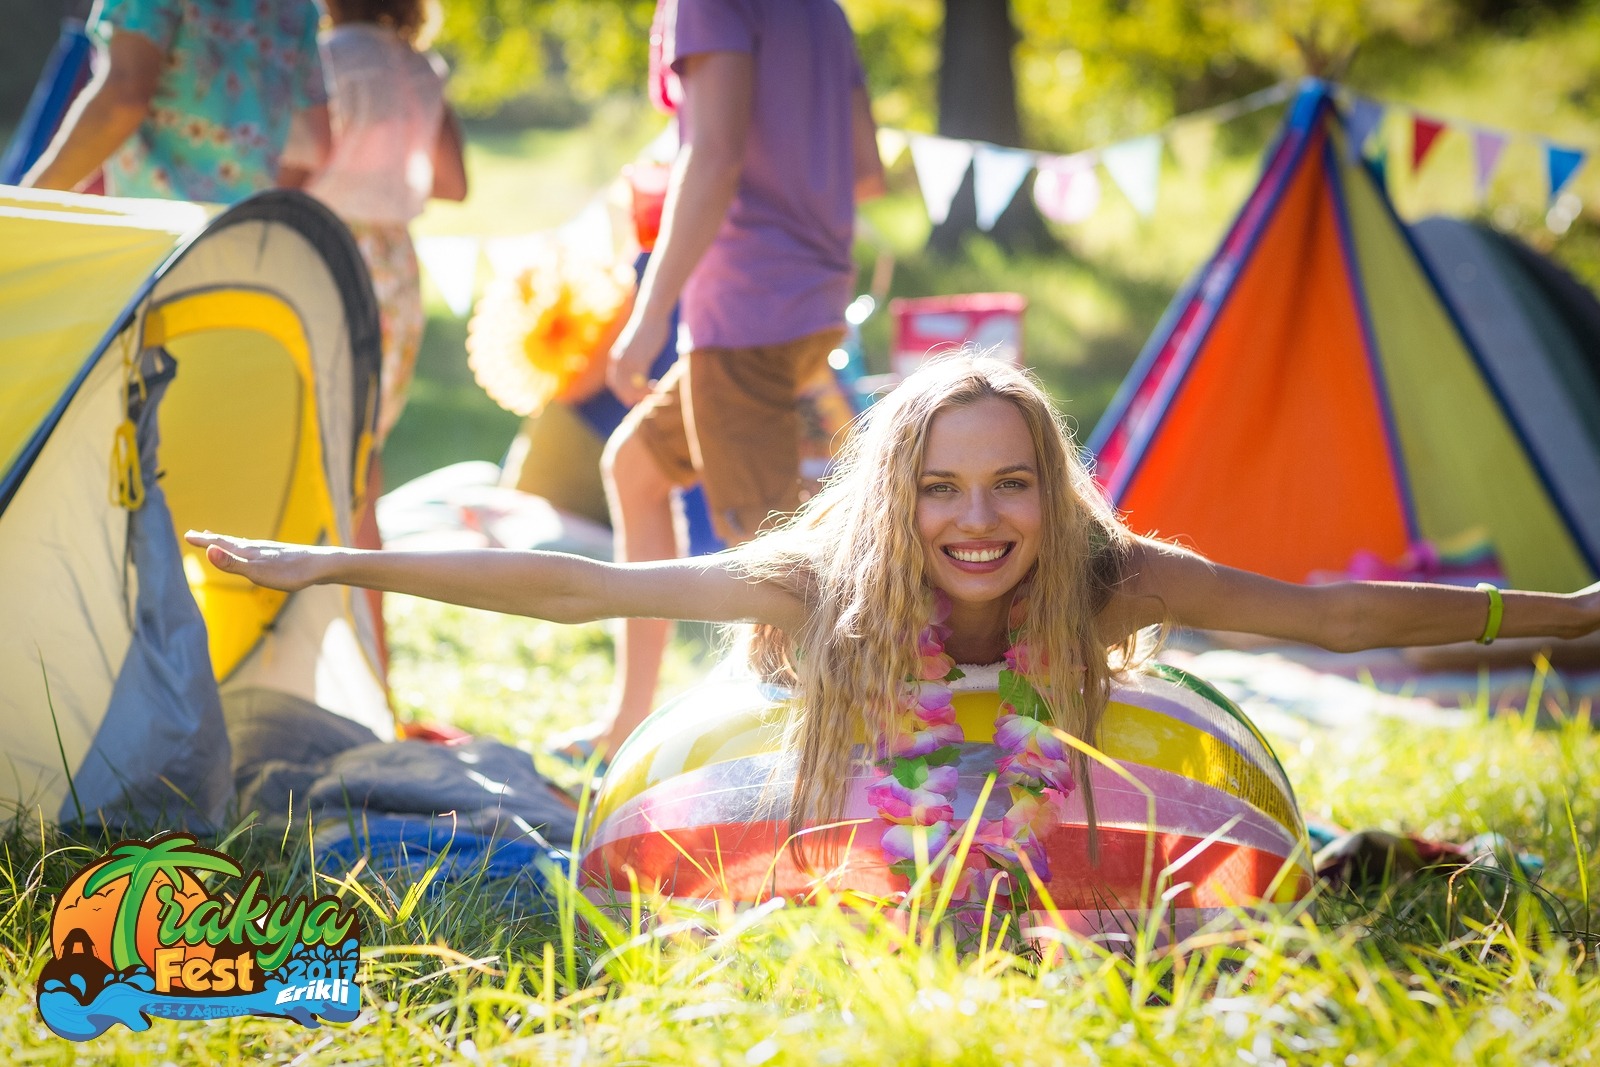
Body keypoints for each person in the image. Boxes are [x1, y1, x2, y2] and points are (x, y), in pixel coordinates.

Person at [186, 355, 1600, 880]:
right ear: (892, 501)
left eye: (1006, 487)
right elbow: (584, 585)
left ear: (1051, 495)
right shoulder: (828, 584)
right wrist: (325, 565)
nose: (973, 521)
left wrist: (1574, 611)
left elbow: (1333, 613)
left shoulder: (1111, 577)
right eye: (937, 489)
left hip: (1049, 839)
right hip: (831, 839)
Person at [592, 0, 887, 763]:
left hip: (746, 311)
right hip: (811, 298)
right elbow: (866, 168)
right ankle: (628, 721)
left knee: (773, 568)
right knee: (635, 466)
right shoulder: (821, 10)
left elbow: (715, 154)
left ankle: (825, 757)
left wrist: (650, 311)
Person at [278, 0, 468, 446]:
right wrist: (386, 178)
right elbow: (453, 182)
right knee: (365, 440)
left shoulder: (323, 58)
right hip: (394, 263)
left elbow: (296, 169)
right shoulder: (423, 69)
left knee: (307, 432)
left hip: (325, 250)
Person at [22, 0, 329, 201]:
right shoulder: (297, 7)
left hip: (159, 247)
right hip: (246, 245)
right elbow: (316, 145)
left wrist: (26, 206)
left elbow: (122, 98)